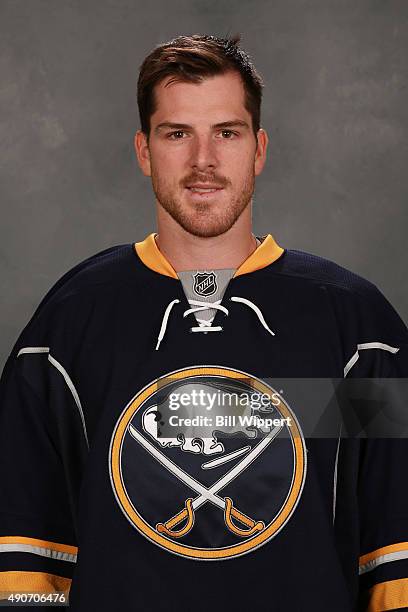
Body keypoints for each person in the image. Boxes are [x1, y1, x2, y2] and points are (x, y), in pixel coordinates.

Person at [0, 33, 407, 612]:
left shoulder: (358, 332)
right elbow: (24, 561)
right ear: (144, 151)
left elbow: (396, 554)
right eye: (176, 134)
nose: (204, 162)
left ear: (259, 149)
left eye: (227, 133)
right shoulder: (70, 326)